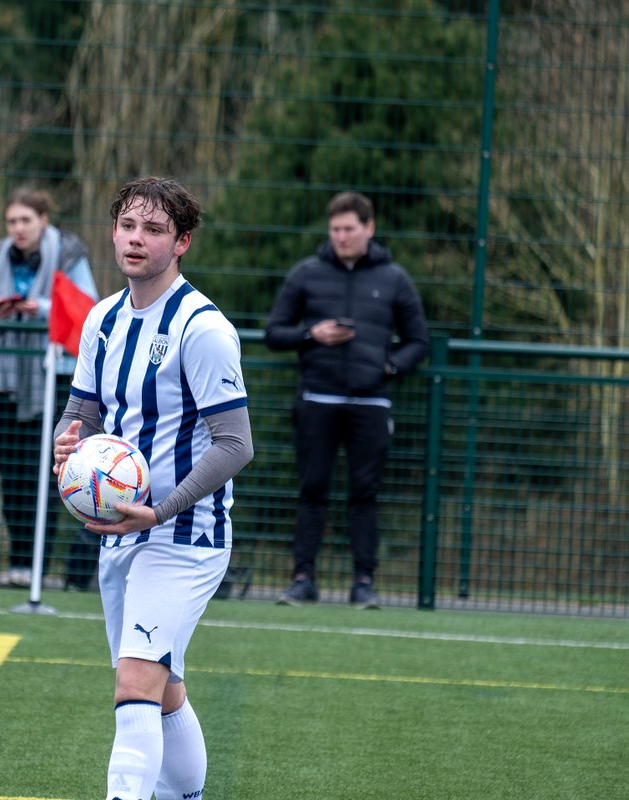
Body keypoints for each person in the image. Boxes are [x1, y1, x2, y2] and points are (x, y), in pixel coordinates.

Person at [52, 176, 254, 800]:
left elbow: (236, 444)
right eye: (128, 226)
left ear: (182, 242)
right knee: (163, 688)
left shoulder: (204, 329)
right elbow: (79, 413)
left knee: (135, 680)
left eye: (155, 230)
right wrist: (65, 448)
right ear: (113, 232)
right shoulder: (101, 320)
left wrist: (161, 510)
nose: (137, 240)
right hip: (119, 533)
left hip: (186, 536)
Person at [265, 191, 428, 609]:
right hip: (316, 399)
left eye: (349, 229)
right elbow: (274, 331)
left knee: (364, 493)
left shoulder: (395, 278)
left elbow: (418, 341)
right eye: (335, 229)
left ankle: (364, 583)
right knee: (312, 489)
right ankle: (303, 580)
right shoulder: (306, 273)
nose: (341, 236)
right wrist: (310, 335)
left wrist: (389, 369)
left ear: (369, 228)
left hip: (371, 405)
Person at [0, 187, 99, 589]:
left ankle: (40, 563)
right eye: (12, 221)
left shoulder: (69, 256)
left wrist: (41, 309)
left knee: (46, 471)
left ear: (43, 220)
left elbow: (88, 309)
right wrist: (1, 310)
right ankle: (17, 559)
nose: (18, 229)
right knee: (11, 471)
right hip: (10, 378)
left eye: (26, 220)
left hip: (55, 375)